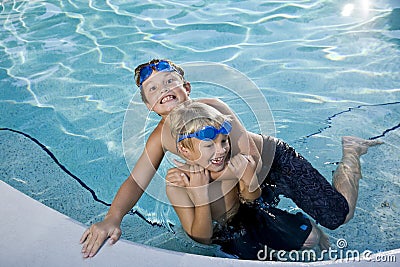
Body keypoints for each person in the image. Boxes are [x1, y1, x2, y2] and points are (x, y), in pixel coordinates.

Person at [80, 59, 382, 258]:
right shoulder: (160, 137)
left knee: (338, 216)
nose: (164, 89)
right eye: (154, 88)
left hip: (273, 164)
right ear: (148, 105)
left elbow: (247, 157)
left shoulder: (213, 107)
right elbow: (136, 180)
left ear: (186, 88)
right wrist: (113, 218)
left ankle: (351, 152)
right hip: (241, 187)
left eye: (170, 81)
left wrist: (199, 183)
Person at [165, 101, 328, 259]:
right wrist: (200, 196)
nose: (221, 150)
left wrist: (248, 178)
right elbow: (202, 240)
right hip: (221, 235)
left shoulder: (232, 163)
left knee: (311, 238)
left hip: (247, 214)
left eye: (223, 141)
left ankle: (311, 227)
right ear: (184, 150)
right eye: (209, 146)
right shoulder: (177, 185)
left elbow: (252, 200)